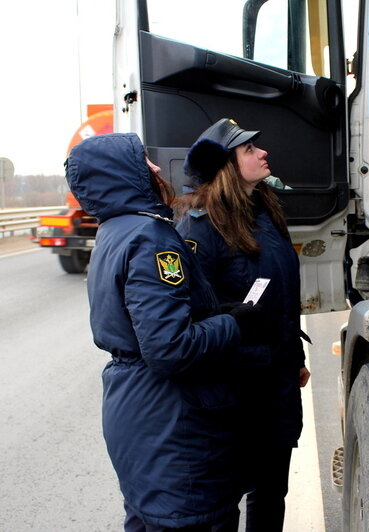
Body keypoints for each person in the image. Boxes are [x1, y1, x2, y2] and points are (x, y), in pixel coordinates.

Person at [65, 132, 263, 532]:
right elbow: (169, 348)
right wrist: (230, 323)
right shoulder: (150, 238)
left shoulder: (114, 231)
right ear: (123, 174)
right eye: (143, 161)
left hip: (140, 416)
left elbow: (144, 319)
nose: (156, 168)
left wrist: (210, 311)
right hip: (174, 424)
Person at [175, 118, 311, 532]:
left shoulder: (267, 213)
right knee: (224, 499)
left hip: (276, 382)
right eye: (249, 150)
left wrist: (295, 358)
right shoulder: (201, 227)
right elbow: (191, 313)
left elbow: (283, 299)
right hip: (233, 390)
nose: (262, 152)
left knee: (272, 493)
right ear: (228, 167)